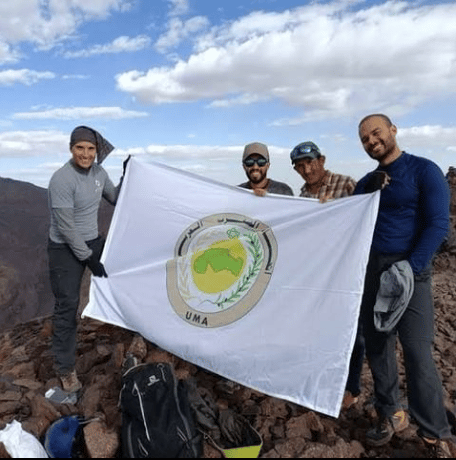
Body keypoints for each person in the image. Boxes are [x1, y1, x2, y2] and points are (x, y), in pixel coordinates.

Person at [354, 114, 454, 457]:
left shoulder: (424, 171)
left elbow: (439, 224)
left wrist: (410, 267)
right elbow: (349, 216)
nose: (371, 141)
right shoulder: (367, 180)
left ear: (393, 131)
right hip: (373, 272)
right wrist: (367, 189)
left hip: (411, 271)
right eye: (365, 138)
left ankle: (435, 434)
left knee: (417, 352)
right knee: (378, 348)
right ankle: (389, 412)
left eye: (376, 133)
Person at [47, 126, 126, 393]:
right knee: (67, 306)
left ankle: (131, 339)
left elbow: (115, 198)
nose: (85, 153)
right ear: (71, 149)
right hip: (64, 250)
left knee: (124, 273)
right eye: (80, 148)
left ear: (96, 150)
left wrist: (130, 176)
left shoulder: (100, 174)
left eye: (90, 148)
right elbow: (66, 227)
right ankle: (65, 369)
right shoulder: (61, 179)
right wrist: (89, 258)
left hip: (92, 241)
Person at [290, 141, 363, 410]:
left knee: (354, 332)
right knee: (322, 328)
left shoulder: (346, 185)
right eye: (300, 166)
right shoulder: (300, 198)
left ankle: (352, 388)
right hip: (318, 275)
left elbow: (366, 214)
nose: (306, 169)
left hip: (347, 271)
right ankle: (322, 380)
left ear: (321, 159)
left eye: (310, 162)